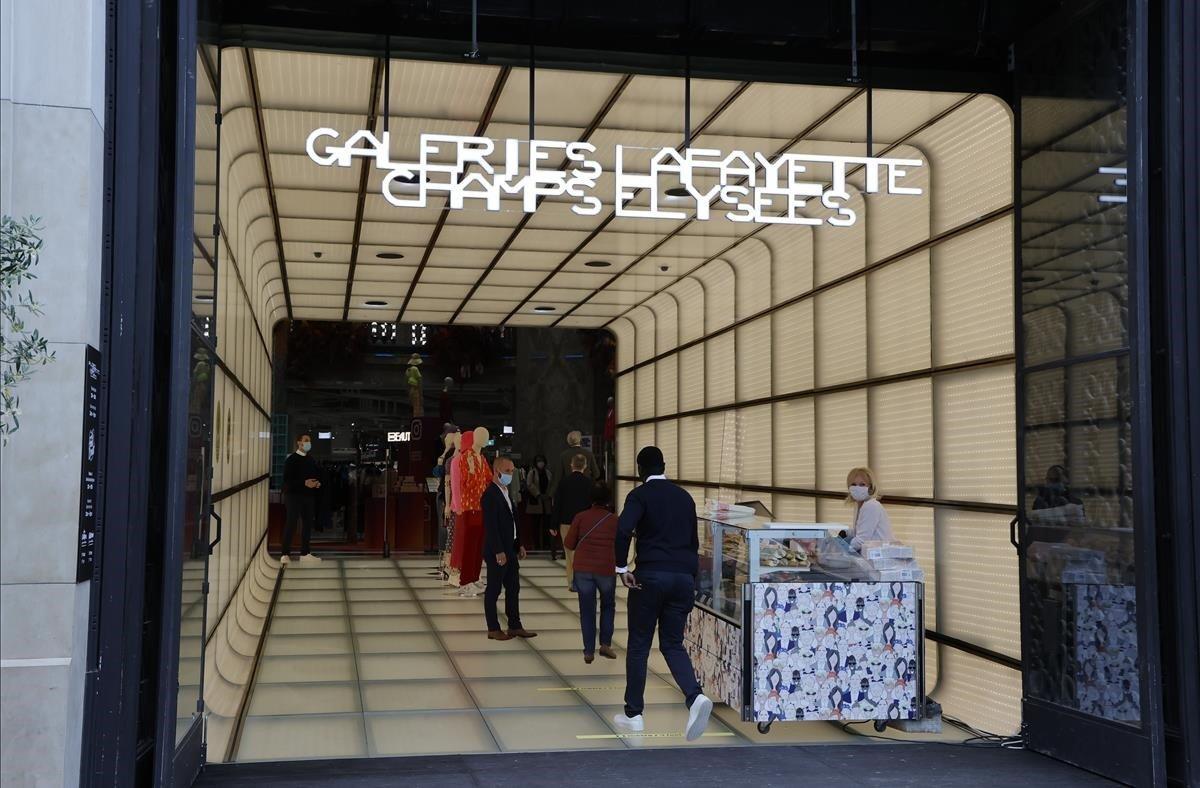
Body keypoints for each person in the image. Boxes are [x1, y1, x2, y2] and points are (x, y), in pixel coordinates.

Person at [612, 445, 712, 742]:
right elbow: (694, 542)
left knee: (640, 644)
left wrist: (621, 568)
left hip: (650, 577)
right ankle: (695, 697)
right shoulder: (684, 497)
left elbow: (622, 530)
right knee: (672, 643)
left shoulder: (639, 495)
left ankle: (634, 714)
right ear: (664, 465)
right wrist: (692, 579)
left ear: (640, 469)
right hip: (683, 578)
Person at [481, 456, 537, 641]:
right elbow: (491, 526)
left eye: (512, 471)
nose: (510, 474)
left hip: (510, 548)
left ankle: (515, 625)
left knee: (513, 588)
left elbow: (513, 521)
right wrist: (499, 551)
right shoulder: (490, 495)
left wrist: (519, 543)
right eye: (507, 471)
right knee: (494, 589)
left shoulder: (505, 492)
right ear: (496, 472)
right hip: (498, 551)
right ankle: (493, 628)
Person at [564, 482, 618, 663]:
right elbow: (620, 545)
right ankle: (605, 645)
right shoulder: (614, 520)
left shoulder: (580, 517)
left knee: (586, 609)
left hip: (583, 570)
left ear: (591, 499)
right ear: (608, 500)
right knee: (608, 605)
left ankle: (588, 651)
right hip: (605, 568)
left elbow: (569, 543)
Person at [281, 433, 323, 565]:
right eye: (305, 441)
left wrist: (317, 483)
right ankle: (285, 553)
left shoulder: (311, 459)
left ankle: (305, 553)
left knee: (307, 524)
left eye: (309, 441)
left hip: (308, 496)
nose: (308, 443)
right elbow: (287, 480)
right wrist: (303, 483)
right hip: (293, 496)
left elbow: (315, 474)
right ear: (299, 443)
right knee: (291, 523)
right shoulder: (291, 459)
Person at [555, 453, 594, 592]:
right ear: (585, 466)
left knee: (569, 553)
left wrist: (553, 523)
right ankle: (582, 580)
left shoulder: (564, 482)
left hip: (566, 521)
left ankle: (572, 582)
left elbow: (558, 504)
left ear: (571, 465)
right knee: (583, 552)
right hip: (585, 523)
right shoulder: (589, 483)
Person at [845, 466, 894, 551]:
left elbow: (861, 541)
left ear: (870, 488)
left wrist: (842, 548)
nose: (857, 488)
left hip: (879, 557)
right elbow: (860, 531)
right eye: (853, 484)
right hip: (871, 555)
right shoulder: (858, 505)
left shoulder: (871, 506)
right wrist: (845, 533)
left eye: (862, 484)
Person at [552, 430, 599, 498]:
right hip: (585, 489)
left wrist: (552, 494)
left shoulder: (563, 455)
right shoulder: (588, 454)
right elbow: (597, 474)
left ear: (568, 440)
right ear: (580, 440)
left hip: (569, 490)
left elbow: (558, 477)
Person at [525, 454, 554, 557]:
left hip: (546, 502)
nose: (540, 463)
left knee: (547, 525)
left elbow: (552, 485)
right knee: (535, 525)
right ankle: (536, 544)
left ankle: (546, 544)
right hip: (536, 501)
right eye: (538, 461)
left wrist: (548, 495)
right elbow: (529, 485)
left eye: (542, 461)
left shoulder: (548, 473)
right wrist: (537, 494)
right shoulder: (532, 472)